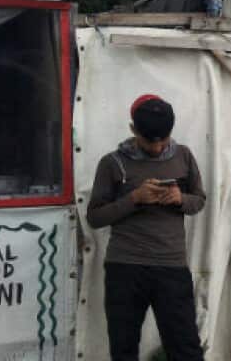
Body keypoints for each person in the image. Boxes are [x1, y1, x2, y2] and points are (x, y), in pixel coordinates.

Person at [86, 94, 206, 361]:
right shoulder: (112, 163)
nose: (157, 147)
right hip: (125, 267)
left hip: (172, 267)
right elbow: (94, 217)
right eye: (149, 140)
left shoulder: (184, 156)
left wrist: (180, 199)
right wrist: (134, 199)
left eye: (163, 139)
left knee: (185, 348)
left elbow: (199, 201)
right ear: (132, 130)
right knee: (124, 348)